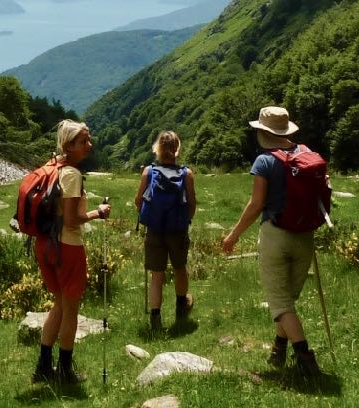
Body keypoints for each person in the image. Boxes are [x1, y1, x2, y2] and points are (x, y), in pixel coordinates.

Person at [221, 106, 323, 378]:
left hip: (276, 235)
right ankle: (279, 348)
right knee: (287, 300)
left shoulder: (264, 161)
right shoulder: (306, 155)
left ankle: (306, 360)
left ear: (263, 132)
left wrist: (233, 235)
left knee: (280, 303)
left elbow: (256, 205)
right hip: (305, 236)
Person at [32, 119, 111, 386]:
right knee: (71, 310)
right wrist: (97, 212)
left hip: (44, 244)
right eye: (83, 142)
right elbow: (72, 220)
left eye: (88, 140)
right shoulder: (73, 175)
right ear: (68, 145)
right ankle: (65, 371)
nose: (90, 145)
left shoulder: (52, 167)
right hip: (67, 247)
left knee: (59, 303)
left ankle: (43, 366)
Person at [133, 131, 197, 331]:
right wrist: (186, 220)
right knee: (180, 268)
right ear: (177, 149)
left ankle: (155, 320)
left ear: (157, 149)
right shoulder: (186, 173)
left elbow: (138, 201)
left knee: (156, 275)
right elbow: (192, 204)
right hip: (177, 229)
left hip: (154, 229)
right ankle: (181, 308)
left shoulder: (149, 172)